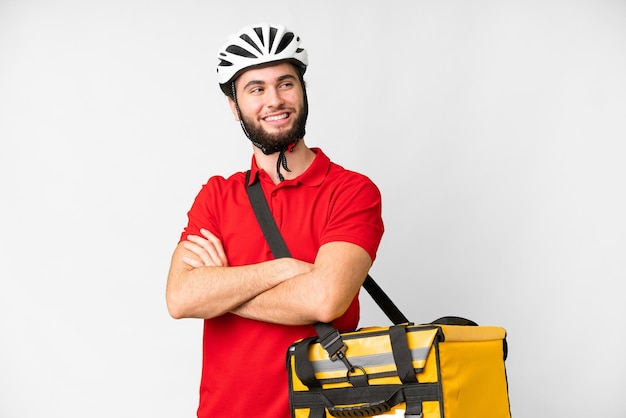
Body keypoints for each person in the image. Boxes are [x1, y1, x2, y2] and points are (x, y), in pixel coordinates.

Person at [166, 22, 384, 417]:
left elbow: (325, 298)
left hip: (320, 411)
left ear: (302, 92)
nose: (274, 100)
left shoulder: (352, 191)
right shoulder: (217, 195)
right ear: (235, 107)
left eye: (286, 84)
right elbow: (181, 298)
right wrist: (284, 269)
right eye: (256, 89)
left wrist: (221, 289)